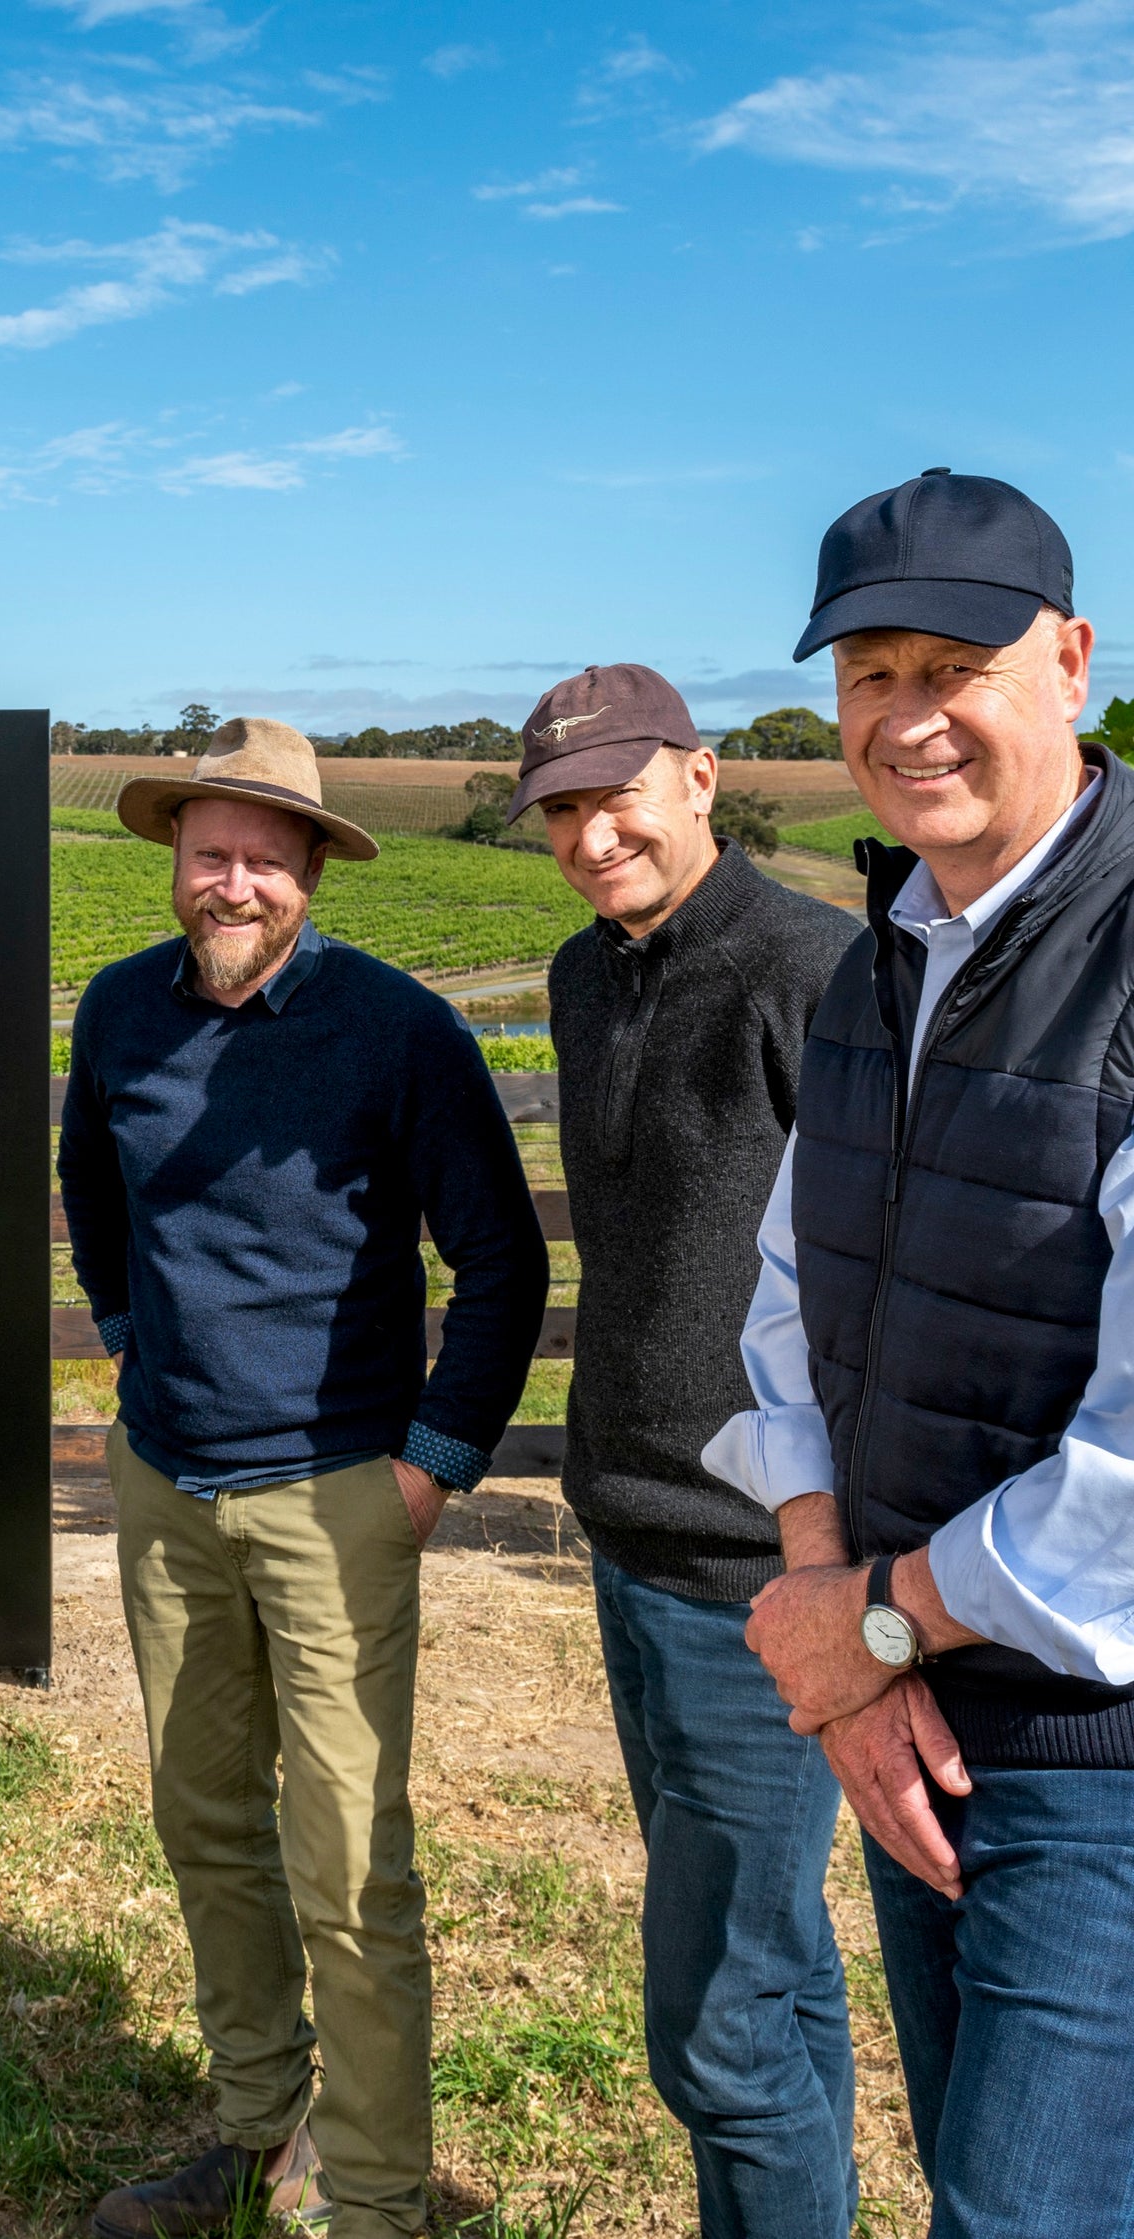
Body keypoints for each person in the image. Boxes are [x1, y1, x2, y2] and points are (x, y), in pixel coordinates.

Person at [703, 470, 1134, 2236]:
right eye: (871, 672)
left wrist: (870, 1621)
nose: (908, 717)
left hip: (1097, 1763)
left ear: (1074, 665)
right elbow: (795, 1295)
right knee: (979, 2172)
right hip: (910, 1710)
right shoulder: (884, 956)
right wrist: (842, 1624)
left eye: (955, 664)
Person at [60, 716, 548, 2239]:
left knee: (348, 1866)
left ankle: (381, 2197)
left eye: (268, 856)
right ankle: (262, 2130)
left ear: (315, 869)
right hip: (168, 1488)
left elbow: (504, 1261)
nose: (236, 881)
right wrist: (135, 1343)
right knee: (205, 1819)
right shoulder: (124, 1010)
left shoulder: (402, 1032)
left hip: (341, 1489)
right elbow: (91, 1184)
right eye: (213, 852)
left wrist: (431, 1469)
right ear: (177, 860)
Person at [521, 663, 859, 2235]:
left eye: (618, 795)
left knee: (719, 2026)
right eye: (562, 810)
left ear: (703, 778)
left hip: (760, 1571)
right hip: (633, 1539)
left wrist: (834, 1561)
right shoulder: (588, 976)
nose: (593, 836)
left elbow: (876, 1280)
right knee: (770, 1963)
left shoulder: (820, 973)